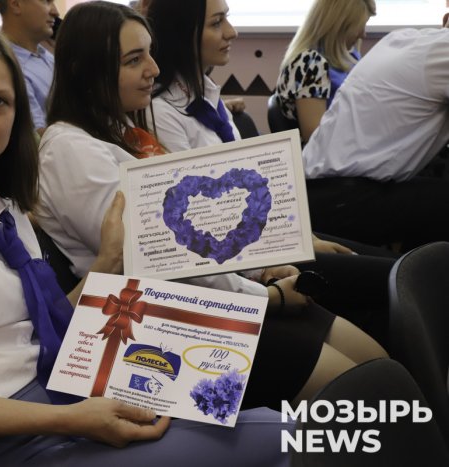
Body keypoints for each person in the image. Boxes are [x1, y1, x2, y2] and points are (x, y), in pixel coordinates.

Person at [0, 23, 298, 467]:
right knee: (287, 436)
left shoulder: (1, 206)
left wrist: (109, 260)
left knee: (266, 421)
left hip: (64, 404)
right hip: (5, 445)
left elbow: (38, 320)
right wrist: (71, 420)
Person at [36, 0, 386, 415]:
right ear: (85, 71)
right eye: (134, 60)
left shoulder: (123, 130)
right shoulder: (71, 150)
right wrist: (265, 296)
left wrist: (258, 272)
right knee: (365, 395)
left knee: (378, 366)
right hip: (160, 325)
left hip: (208, 296)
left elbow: (200, 231)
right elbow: (165, 260)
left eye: (149, 53)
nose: (153, 69)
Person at [145, 0, 396, 342]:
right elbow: (204, 221)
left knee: (392, 265)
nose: (232, 32)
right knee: (393, 277)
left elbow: (247, 191)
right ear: (184, 33)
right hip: (249, 257)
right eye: (217, 23)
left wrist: (305, 236)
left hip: (267, 238)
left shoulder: (205, 96)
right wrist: (288, 248)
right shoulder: (163, 112)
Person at [302, 25, 449, 249]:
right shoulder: (443, 50)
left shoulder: (399, 38)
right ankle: (412, 269)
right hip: (343, 200)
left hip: (315, 192)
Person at [274, 0, 376, 143]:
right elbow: (315, 137)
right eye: (358, 27)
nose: (363, 34)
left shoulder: (349, 56)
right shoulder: (310, 63)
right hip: (327, 152)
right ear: (338, 27)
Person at [0, 0, 60, 132]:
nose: (55, 12)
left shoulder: (47, 56)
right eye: (46, 1)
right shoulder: (5, 66)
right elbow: (37, 135)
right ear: (16, 5)